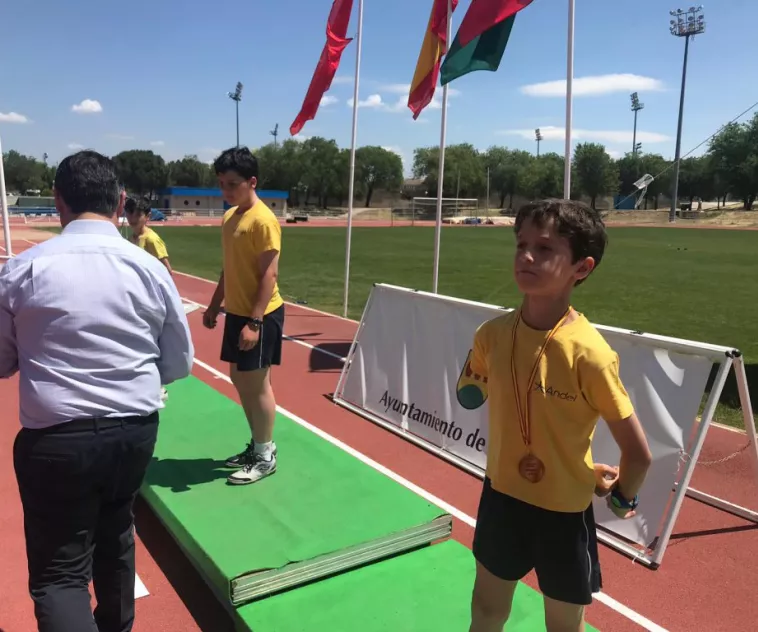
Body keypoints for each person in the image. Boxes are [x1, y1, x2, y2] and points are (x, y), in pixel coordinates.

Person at [0, 150, 194, 632]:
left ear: (58, 201)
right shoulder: (149, 268)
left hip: (57, 439)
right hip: (133, 432)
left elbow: (2, 360)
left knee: (61, 573)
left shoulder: (22, 270)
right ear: (121, 201)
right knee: (116, 534)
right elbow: (178, 362)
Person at [466, 199, 653, 632]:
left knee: (539, 622)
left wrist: (620, 495)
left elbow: (639, 454)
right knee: (488, 612)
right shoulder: (491, 335)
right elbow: (474, 390)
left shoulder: (590, 354)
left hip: (562, 515)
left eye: (545, 248)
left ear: (581, 268)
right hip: (503, 498)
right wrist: (616, 492)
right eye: (521, 244)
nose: (526, 256)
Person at [202, 147, 284, 486]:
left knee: (257, 384)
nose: (226, 191)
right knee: (239, 378)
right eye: (221, 184)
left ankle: (265, 457)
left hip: (259, 315)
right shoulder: (230, 217)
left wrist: (254, 322)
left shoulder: (263, 220)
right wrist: (214, 304)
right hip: (236, 312)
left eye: (232, 184)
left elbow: (269, 275)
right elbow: (229, 268)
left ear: (252, 182)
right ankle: (259, 445)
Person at [124, 197, 173, 276]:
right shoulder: (130, 239)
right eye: (130, 213)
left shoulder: (151, 239)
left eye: (138, 215)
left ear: (148, 216)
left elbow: (167, 271)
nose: (133, 218)